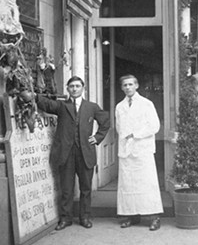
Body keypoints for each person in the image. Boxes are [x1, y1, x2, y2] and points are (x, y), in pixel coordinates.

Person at [36, 76, 110, 230]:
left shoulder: (92, 107)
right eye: (71, 86)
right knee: (67, 188)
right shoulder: (62, 106)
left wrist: (97, 138)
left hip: (85, 153)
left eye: (77, 86)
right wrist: (33, 95)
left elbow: (105, 122)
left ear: (83, 88)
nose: (74, 89)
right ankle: (65, 219)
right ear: (68, 89)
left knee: (86, 188)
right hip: (66, 153)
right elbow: (46, 104)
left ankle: (85, 217)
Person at [116, 75, 163, 231]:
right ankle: (131, 215)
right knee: (128, 184)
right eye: (125, 85)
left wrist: (136, 134)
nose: (128, 87)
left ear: (136, 86)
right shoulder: (119, 107)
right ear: (122, 88)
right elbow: (119, 128)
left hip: (142, 149)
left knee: (147, 184)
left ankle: (154, 217)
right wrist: (126, 138)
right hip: (126, 150)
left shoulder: (146, 104)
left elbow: (154, 126)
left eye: (131, 84)